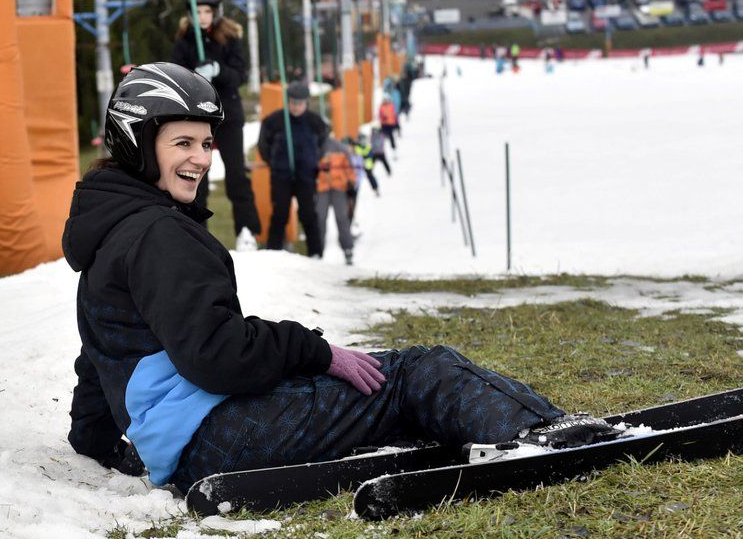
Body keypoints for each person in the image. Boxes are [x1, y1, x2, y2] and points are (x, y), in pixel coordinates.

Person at [65, 65, 621, 489]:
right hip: (222, 432)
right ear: (138, 144)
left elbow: (101, 352)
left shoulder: (110, 233)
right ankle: (543, 436)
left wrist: (97, 442)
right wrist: (316, 351)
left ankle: (471, 426)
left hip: (194, 443)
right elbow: (218, 357)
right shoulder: (159, 234)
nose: (202, 159)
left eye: (206, 143)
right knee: (410, 372)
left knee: (370, 392)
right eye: (181, 144)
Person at [171, 0, 260, 252]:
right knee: (196, 175)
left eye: (207, 11)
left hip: (228, 114)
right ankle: (198, 233)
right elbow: (175, 75)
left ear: (216, 12)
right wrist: (193, 75)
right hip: (199, 117)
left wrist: (218, 70)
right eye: (197, 11)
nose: (202, 17)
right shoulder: (185, 40)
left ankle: (246, 231)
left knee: (236, 174)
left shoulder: (230, 37)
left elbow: (239, 76)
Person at [257, 82, 327, 256]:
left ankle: (316, 253)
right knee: (280, 213)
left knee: (308, 214)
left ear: (307, 102)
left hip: (306, 175)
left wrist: (313, 161)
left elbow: (323, 143)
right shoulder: (275, 121)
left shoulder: (315, 122)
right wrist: (272, 161)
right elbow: (263, 144)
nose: (296, 107)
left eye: (300, 103)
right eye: (293, 103)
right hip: (281, 175)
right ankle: (273, 252)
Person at [316, 136, 356, 265]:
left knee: (342, 218)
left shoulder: (340, 147)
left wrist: (351, 183)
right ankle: (318, 250)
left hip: (339, 187)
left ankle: (347, 249)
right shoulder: (314, 146)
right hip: (321, 188)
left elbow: (348, 167)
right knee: (320, 218)